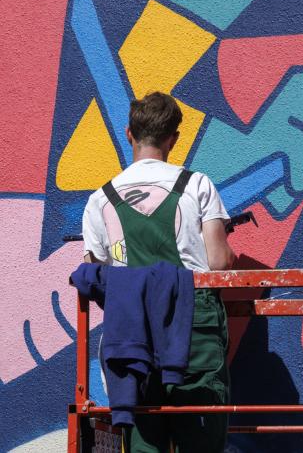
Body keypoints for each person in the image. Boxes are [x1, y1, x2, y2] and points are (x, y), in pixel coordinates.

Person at [82, 91, 235, 452]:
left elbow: (97, 275)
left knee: (143, 441)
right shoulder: (197, 185)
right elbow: (219, 263)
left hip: (132, 336)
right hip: (194, 328)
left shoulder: (100, 199)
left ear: (129, 134)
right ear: (174, 139)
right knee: (201, 440)